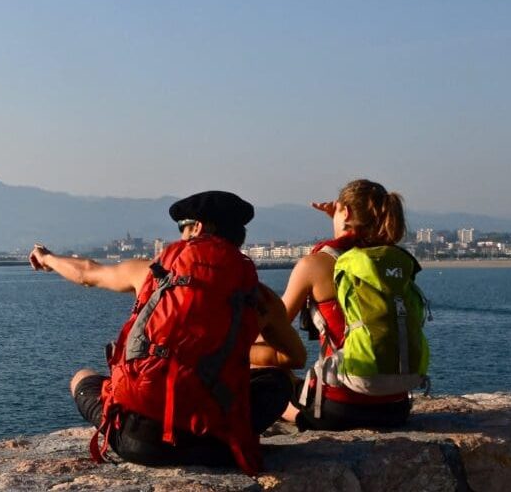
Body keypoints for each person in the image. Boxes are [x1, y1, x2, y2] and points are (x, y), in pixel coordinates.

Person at [30, 191, 306, 475]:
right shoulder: (259, 297)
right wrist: (229, 348)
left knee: (82, 377)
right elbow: (294, 357)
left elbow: (88, 272)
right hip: (215, 443)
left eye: (182, 227)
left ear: (198, 227)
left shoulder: (151, 273)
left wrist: (47, 257)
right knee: (278, 381)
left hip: (139, 441)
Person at [280, 179, 426, 431]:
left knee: (264, 365)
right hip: (395, 409)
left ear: (345, 212)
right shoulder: (392, 262)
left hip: (339, 411)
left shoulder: (315, 264)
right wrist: (340, 219)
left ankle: (295, 415)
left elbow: (274, 324)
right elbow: (354, 249)